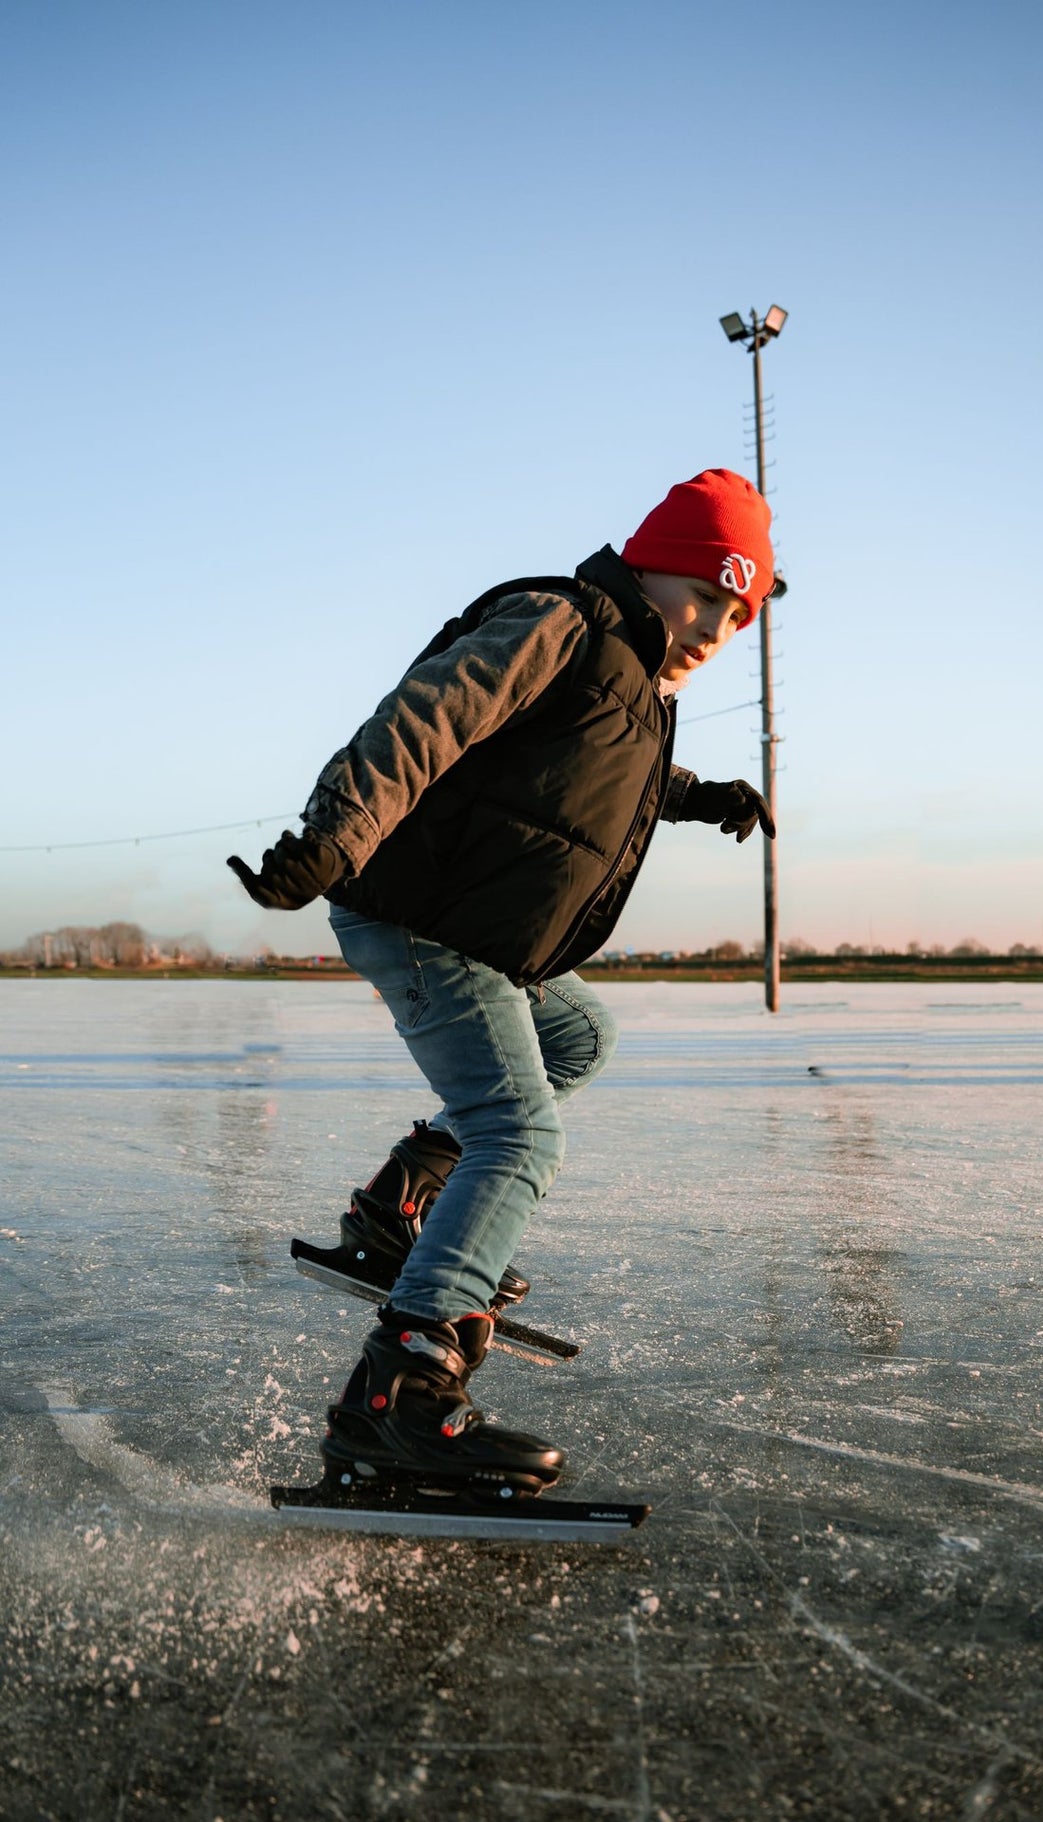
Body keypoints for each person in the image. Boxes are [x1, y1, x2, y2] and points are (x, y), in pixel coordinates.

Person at [229, 467, 777, 1501]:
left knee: (578, 1039)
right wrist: (328, 839)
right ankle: (403, 1390)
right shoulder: (561, 623)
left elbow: (599, 772)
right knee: (519, 1130)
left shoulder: (638, 684)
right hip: (424, 920)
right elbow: (425, 715)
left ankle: (402, 1205)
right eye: (700, 592)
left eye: (734, 612)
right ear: (646, 563)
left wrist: (703, 799)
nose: (711, 626)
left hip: (480, 938)